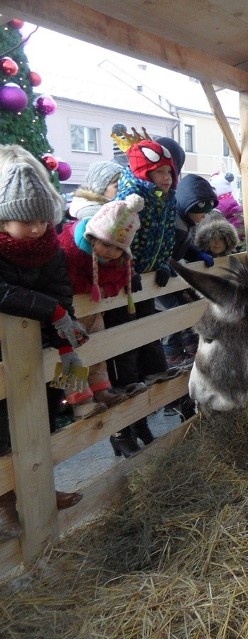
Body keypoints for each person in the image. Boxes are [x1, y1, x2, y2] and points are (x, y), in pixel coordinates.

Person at [0, 146, 87, 534]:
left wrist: (65, 337)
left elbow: (61, 290)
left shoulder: (49, 249)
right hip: (2, 353)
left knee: (47, 414)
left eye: (41, 219)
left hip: (42, 348)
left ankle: (40, 488)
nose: (37, 228)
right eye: (26, 220)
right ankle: (6, 504)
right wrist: (51, 311)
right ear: (5, 220)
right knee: (4, 429)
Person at [104, 131, 184, 457]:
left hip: (147, 283)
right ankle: (125, 426)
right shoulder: (129, 201)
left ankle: (146, 415)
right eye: (160, 173)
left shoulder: (166, 202)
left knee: (149, 332)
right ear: (144, 173)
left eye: (169, 173)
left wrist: (163, 263)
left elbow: (163, 238)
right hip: (123, 287)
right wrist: (127, 265)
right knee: (126, 345)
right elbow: (113, 240)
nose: (166, 179)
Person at [58, 194, 148, 408]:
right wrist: (92, 289)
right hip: (67, 314)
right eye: (107, 245)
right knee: (69, 353)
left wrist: (106, 289)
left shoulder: (119, 261)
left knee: (97, 349)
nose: (111, 252)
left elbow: (119, 278)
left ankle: (101, 390)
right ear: (94, 236)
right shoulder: (71, 251)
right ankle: (78, 399)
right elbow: (67, 279)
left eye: (118, 248)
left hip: (93, 311)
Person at [159, 173, 219, 368]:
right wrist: (165, 263)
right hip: (160, 279)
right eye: (201, 212)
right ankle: (172, 354)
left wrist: (196, 255)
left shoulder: (186, 222)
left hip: (172, 274)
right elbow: (165, 248)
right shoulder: (175, 223)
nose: (203, 217)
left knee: (188, 306)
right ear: (188, 205)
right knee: (173, 312)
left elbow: (182, 247)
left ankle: (191, 346)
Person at [210, 171, 244, 250]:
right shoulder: (230, 199)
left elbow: (215, 217)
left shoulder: (221, 205)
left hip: (233, 232)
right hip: (238, 230)